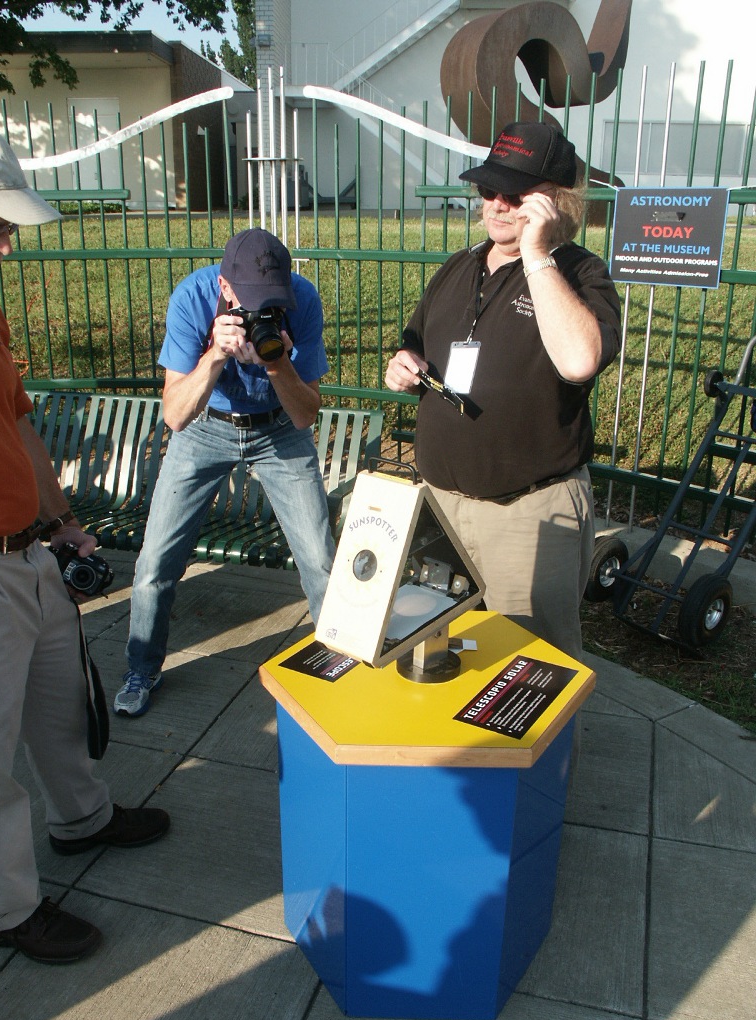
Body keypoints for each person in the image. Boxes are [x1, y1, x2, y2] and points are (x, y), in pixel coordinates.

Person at [0, 111, 170, 964]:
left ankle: (82, 819)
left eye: (9, 227)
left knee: (61, 712)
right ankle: (2, 907)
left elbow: (15, 423)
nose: (5, 244)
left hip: (28, 552)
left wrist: (61, 522)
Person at [385, 122, 622, 659]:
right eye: (488, 189)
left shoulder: (581, 274)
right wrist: (401, 365)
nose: (496, 204)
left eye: (514, 194)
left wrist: (537, 252)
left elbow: (580, 359)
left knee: (534, 674)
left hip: (528, 513)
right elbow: (414, 342)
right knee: (444, 657)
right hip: (442, 506)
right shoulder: (459, 266)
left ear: (554, 201)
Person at [114, 227, 335, 717]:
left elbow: (304, 415)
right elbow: (174, 414)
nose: (261, 310)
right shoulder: (193, 297)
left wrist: (278, 366)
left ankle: (337, 666)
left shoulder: (301, 300)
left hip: (278, 429)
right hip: (204, 428)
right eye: (250, 301)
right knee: (155, 562)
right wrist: (214, 355)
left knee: (320, 559)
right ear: (225, 286)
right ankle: (141, 666)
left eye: (270, 300)